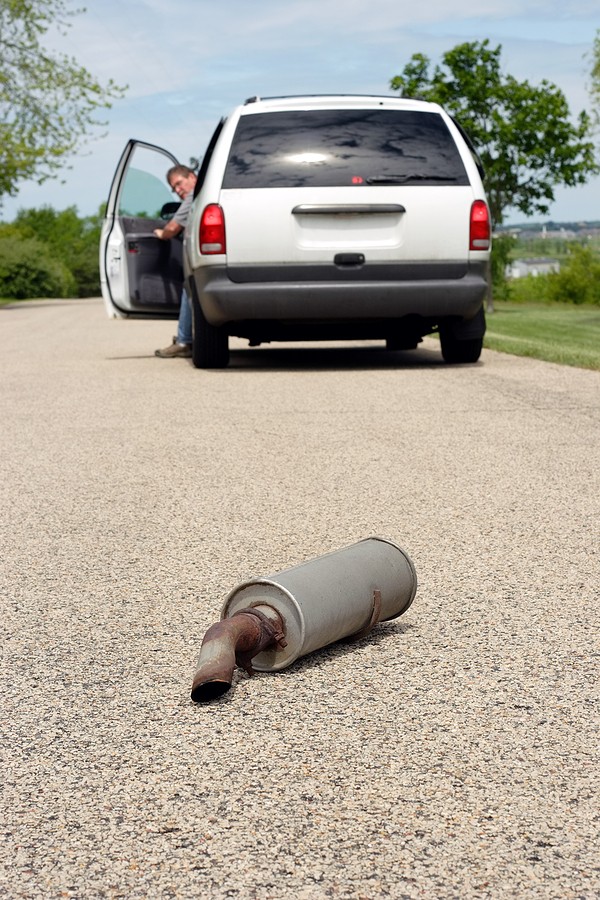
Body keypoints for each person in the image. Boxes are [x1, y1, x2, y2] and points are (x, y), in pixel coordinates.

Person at [153, 165, 197, 358]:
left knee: (189, 287)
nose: (178, 190)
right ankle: (188, 337)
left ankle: (184, 340)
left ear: (192, 177)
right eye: (174, 188)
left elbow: (172, 227)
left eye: (179, 183)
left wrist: (162, 234)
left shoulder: (193, 196)